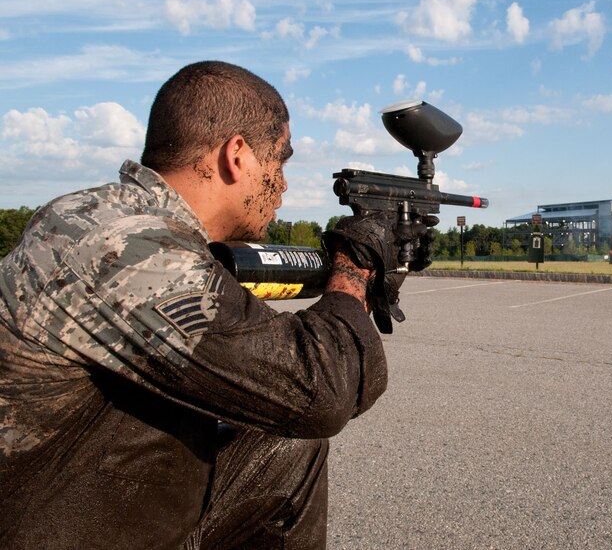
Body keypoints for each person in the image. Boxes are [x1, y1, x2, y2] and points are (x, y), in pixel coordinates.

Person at [0, 61, 427, 548]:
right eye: (280, 161)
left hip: (80, 497)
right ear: (237, 155)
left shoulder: (117, 217)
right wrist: (355, 270)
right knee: (302, 408)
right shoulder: (128, 249)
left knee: (289, 446)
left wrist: (350, 274)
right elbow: (318, 390)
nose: (283, 184)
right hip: (41, 523)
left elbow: (253, 323)